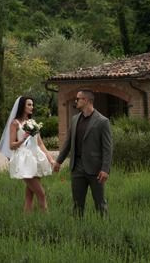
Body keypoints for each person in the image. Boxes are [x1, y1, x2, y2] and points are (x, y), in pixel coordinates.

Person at [54, 89, 112, 217]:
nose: (76, 101)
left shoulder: (103, 121)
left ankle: (105, 228)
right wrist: (59, 161)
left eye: (78, 99)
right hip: (77, 168)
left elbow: (107, 148)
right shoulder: (75, 119)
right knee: (77, 204)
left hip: (96, 170)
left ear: (86, 100)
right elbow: (68, 143)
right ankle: (78, 231)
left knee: (100, 203)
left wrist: (105, 169)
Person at [0, 95, 56, 212]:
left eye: (32, 105)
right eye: (29, 104)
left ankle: (27, 219)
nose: (32, 107)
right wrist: (23, 139)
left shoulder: (33, 122)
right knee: (41, 193)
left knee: (30, 195)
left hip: (36, 158)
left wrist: (50, 159)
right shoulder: (15, 123)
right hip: (23, 160)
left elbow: (40, 143)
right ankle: (46, 218)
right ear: (22, 106)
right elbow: (11, 145)